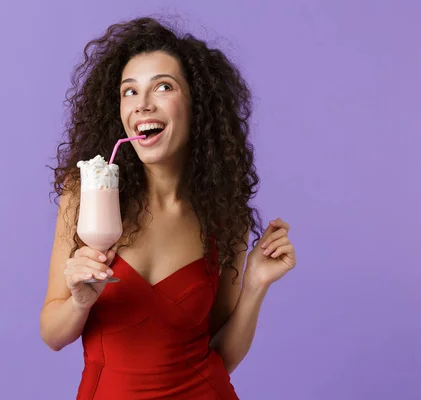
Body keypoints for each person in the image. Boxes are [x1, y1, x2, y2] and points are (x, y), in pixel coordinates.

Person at [40, 16, 297, 400]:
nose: (142, 104)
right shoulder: (84, 194)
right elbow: (52, 335)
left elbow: (222, 356)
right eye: (129, 91)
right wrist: (80, 302)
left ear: (197, 105)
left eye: (163, 87)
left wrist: (256, 284)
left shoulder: (225, 214)